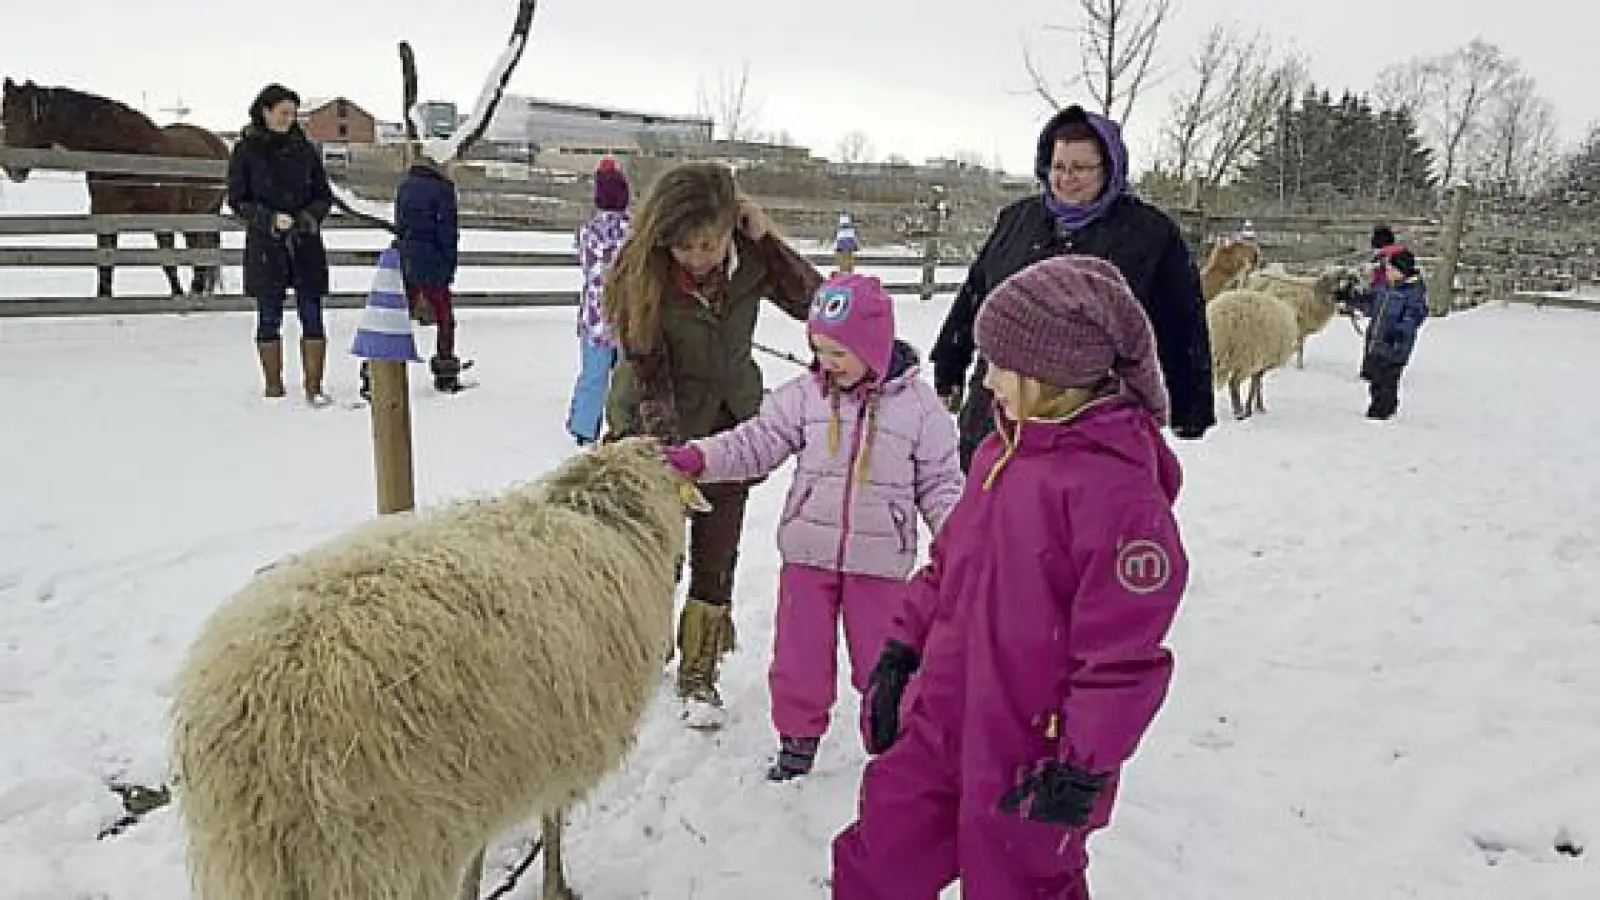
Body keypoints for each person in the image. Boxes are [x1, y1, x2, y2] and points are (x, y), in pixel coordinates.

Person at [833, 255, 1190, 898]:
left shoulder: (1118, 495)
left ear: (1054, 374)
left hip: (1033, 752)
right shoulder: (1001, 453)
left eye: (999, 365)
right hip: (940, 714)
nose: (986, 380)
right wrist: (899, 651)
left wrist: (1084, 764)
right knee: (881, 854)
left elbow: (1123, 654)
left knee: (1019, 884)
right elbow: (947, 566)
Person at [661, 272, 963, 779]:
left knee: (884, 661)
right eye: (819, 349)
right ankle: (797, 740)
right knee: (799, 658)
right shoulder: (804, 397)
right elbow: (754, 442)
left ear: (874, 346)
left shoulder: (919, 409)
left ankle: (898, 741)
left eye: (838, 352)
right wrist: (699, 457)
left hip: (881, 563)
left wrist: (960, 538)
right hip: (807, 554)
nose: (826, 362)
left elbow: (941, 482)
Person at [601, 161, 823, 728]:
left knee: (717, 552)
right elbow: (649, 371)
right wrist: (670, 456)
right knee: (655, 552)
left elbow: (817, 303)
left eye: (709, 242)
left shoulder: (750, 259)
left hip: (730, 423)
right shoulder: (640, 271)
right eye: (684, 246)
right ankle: (639, 654)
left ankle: (699, 670)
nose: (697, 257)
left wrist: (767, 239)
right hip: (654, 425)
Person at [930, 104, 1214, 470]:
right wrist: (949, 363)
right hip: (998, 406)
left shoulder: (1149, 234)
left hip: (1088, 416)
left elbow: (1182, 320)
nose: (1066, 178)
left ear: (1109, 169)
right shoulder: (1018, 221)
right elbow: (976, 295)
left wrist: (1191, 401)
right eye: (1058, 167)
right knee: (989, 509)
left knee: (1068, 513)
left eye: (1080, 168)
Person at [227, 83, 335, 405]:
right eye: (283, 112)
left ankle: (313, 384)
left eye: (293, 113)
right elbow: (237, 198)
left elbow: (323, 195)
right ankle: (273, 384)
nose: (289, 119)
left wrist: (307, 217)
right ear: (266, 111)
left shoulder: (306, 150)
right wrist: (268, 219)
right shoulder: (246, 150)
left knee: (312, 314)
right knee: (269, 314)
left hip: (305, 244)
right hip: (265, 245)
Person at [567, 159, 631, 443]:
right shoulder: (635, 232)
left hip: (594, 317)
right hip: (627, 316)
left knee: (593, 376)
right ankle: (623, 425)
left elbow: (587, 268)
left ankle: (583, 426)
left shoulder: (587, 231)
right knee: (625, 377)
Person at [1344, 247, 1429, 420]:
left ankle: (1383, 411)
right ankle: (1379, 406)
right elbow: (1369, 300)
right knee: (1376, 380)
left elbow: (1413, 318)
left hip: (1395, 347)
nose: (1387, 272)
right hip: (1377, 342)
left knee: (1387, 382)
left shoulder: (1413, 294)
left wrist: (1399, 334)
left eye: (1391, 269)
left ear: (1402, 272)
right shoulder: (1384, 289)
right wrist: (1350, 296)